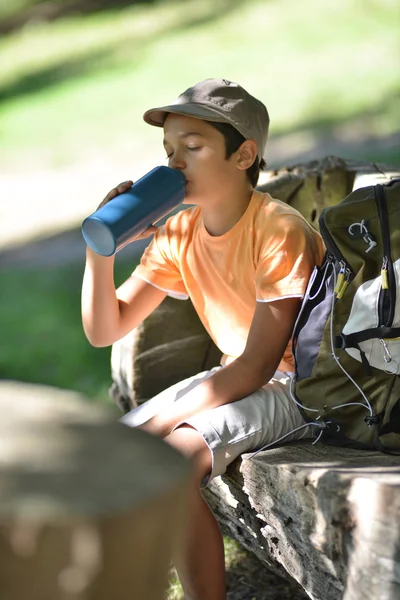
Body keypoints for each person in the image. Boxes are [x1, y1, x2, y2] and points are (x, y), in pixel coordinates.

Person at [81, 78, 325, 600]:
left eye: (192, 148)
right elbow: (106, 329)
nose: (175, 164)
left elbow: (259, 366)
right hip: (238, 378)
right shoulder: (178, 232)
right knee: (106, 457)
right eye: (168, 151)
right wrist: (100, 250)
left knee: (169, 464)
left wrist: (164, 421)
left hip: (299, 387)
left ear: (244, 155)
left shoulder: (278, 229)